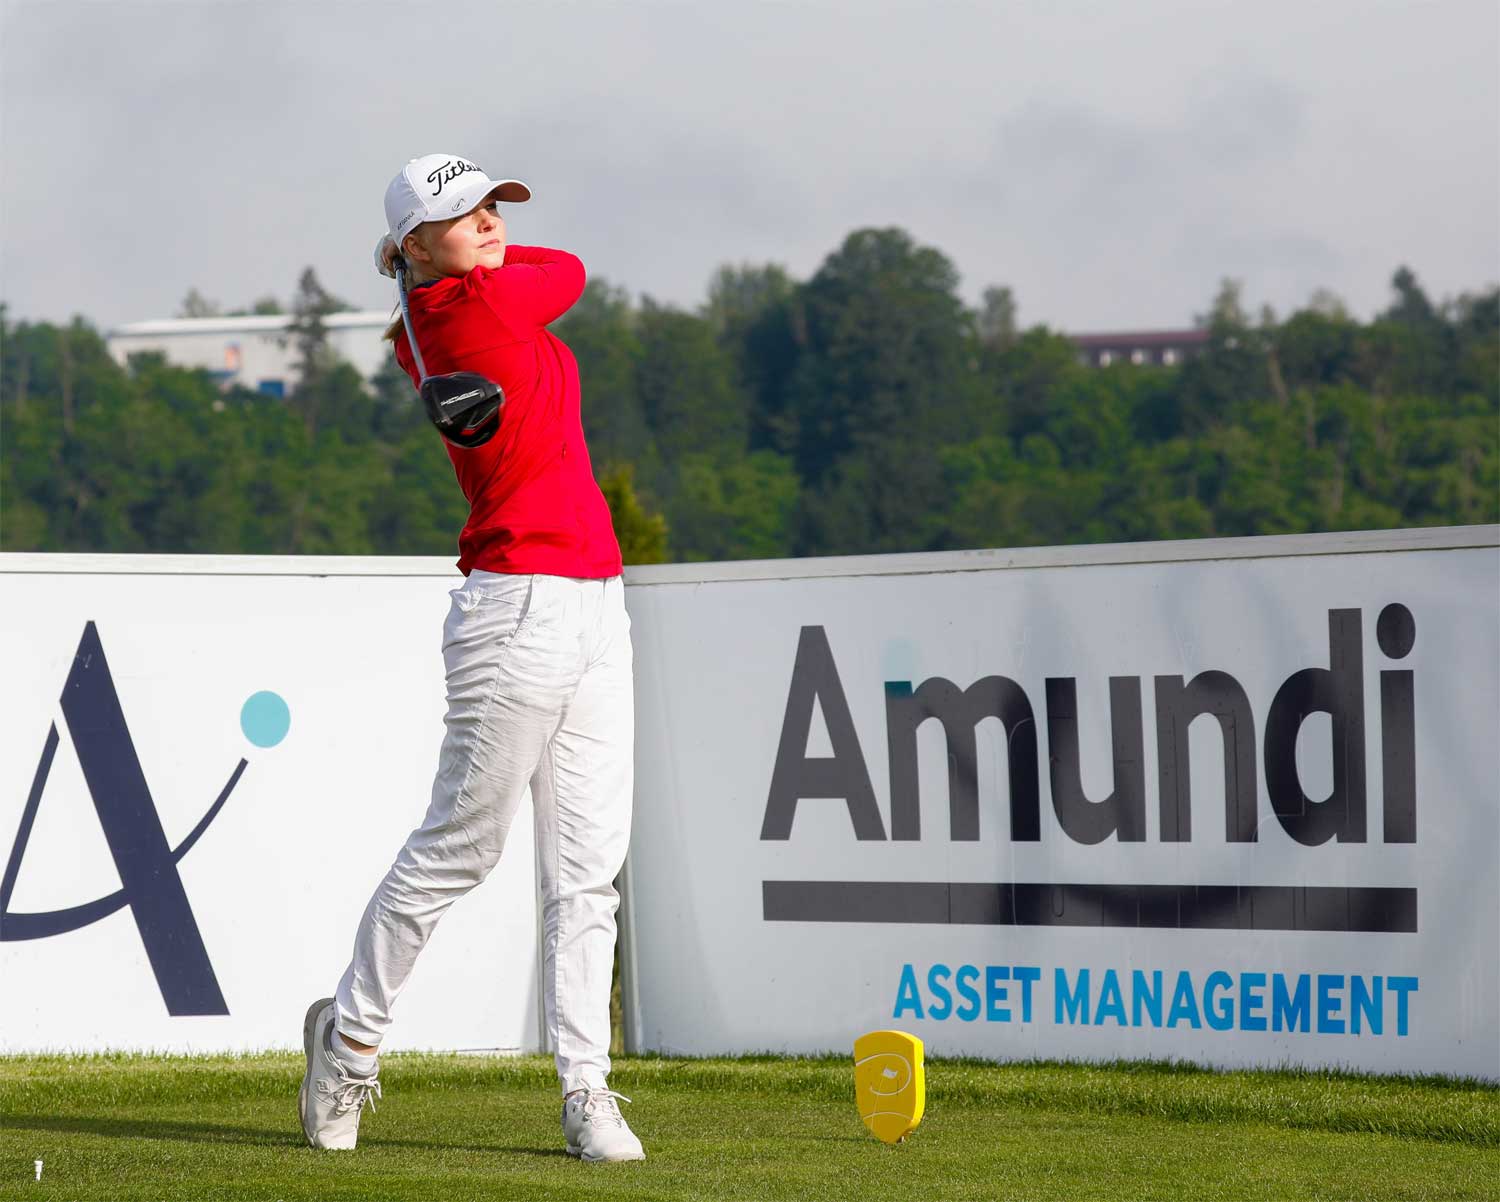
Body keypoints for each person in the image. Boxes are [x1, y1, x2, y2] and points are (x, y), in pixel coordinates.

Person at [297, 153, 644, 1164]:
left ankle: (587, 1090)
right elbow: (570, 268)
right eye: (465, 213)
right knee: (462, 846)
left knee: (588, 872)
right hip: (517, 606)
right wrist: (435, 265)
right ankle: (349, 1042)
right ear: (416, 243)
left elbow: (544, 265)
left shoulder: (448, 303)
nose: (492, 222)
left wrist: (428, 255)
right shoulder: (473, 312)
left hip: (596, 598)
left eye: (494, 204)